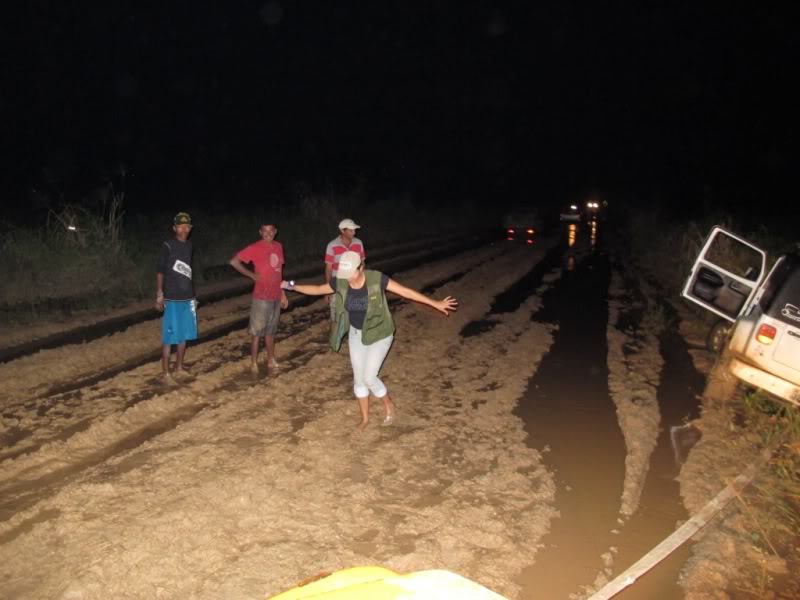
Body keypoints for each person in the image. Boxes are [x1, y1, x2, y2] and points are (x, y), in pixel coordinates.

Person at [283, 251, 457, 430]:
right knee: (359, 380)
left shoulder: (376, 279)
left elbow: (405, 291)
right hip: (357, 334)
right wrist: (292, 285)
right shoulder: (341, 281)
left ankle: (388, 403)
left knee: (369, 377)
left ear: (360, 267)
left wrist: (435, 303)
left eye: (351, 274)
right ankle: (365, 419)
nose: (347, 279)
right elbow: (318, 289)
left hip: (380, 333)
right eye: (344, 275)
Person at [229, 223, 289, 371]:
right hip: (261, 297)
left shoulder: (278, 246)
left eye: (271, 230)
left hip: (275, 295)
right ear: (260, 232)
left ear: (275, 232)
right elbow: (234, 261)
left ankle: (271, 360)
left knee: (271, 332)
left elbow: (279, 270)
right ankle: (254, 363)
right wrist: (252, 275)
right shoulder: (255, 247)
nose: (268, 233)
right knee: (257, 332)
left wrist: (282, 292)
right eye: (265, 230)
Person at [156, 212, 198, 383]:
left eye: (186, 226)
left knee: (184, 335)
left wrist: (193, 296)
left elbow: (188, 272)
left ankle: (179, 367)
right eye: (180, 226)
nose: (183, 229)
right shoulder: (168, 245)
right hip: (172, 298)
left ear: (190, 229)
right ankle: (166, 373)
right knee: (169, 337)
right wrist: (160, 294)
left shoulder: (189, 246)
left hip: (187, 298)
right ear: (174, 228)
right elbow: (160, 271)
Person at [324, 218, 366, 321]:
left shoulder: (358, 243)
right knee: (336, 317)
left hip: (354, 282)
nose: (354, 232)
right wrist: (327, 290)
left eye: (354, 230)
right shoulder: (332, 245)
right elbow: (329, 268)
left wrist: (363, 282)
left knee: (354, 314)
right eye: (351, 230)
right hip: (338, 283)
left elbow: (362, 264)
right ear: (342, 231)